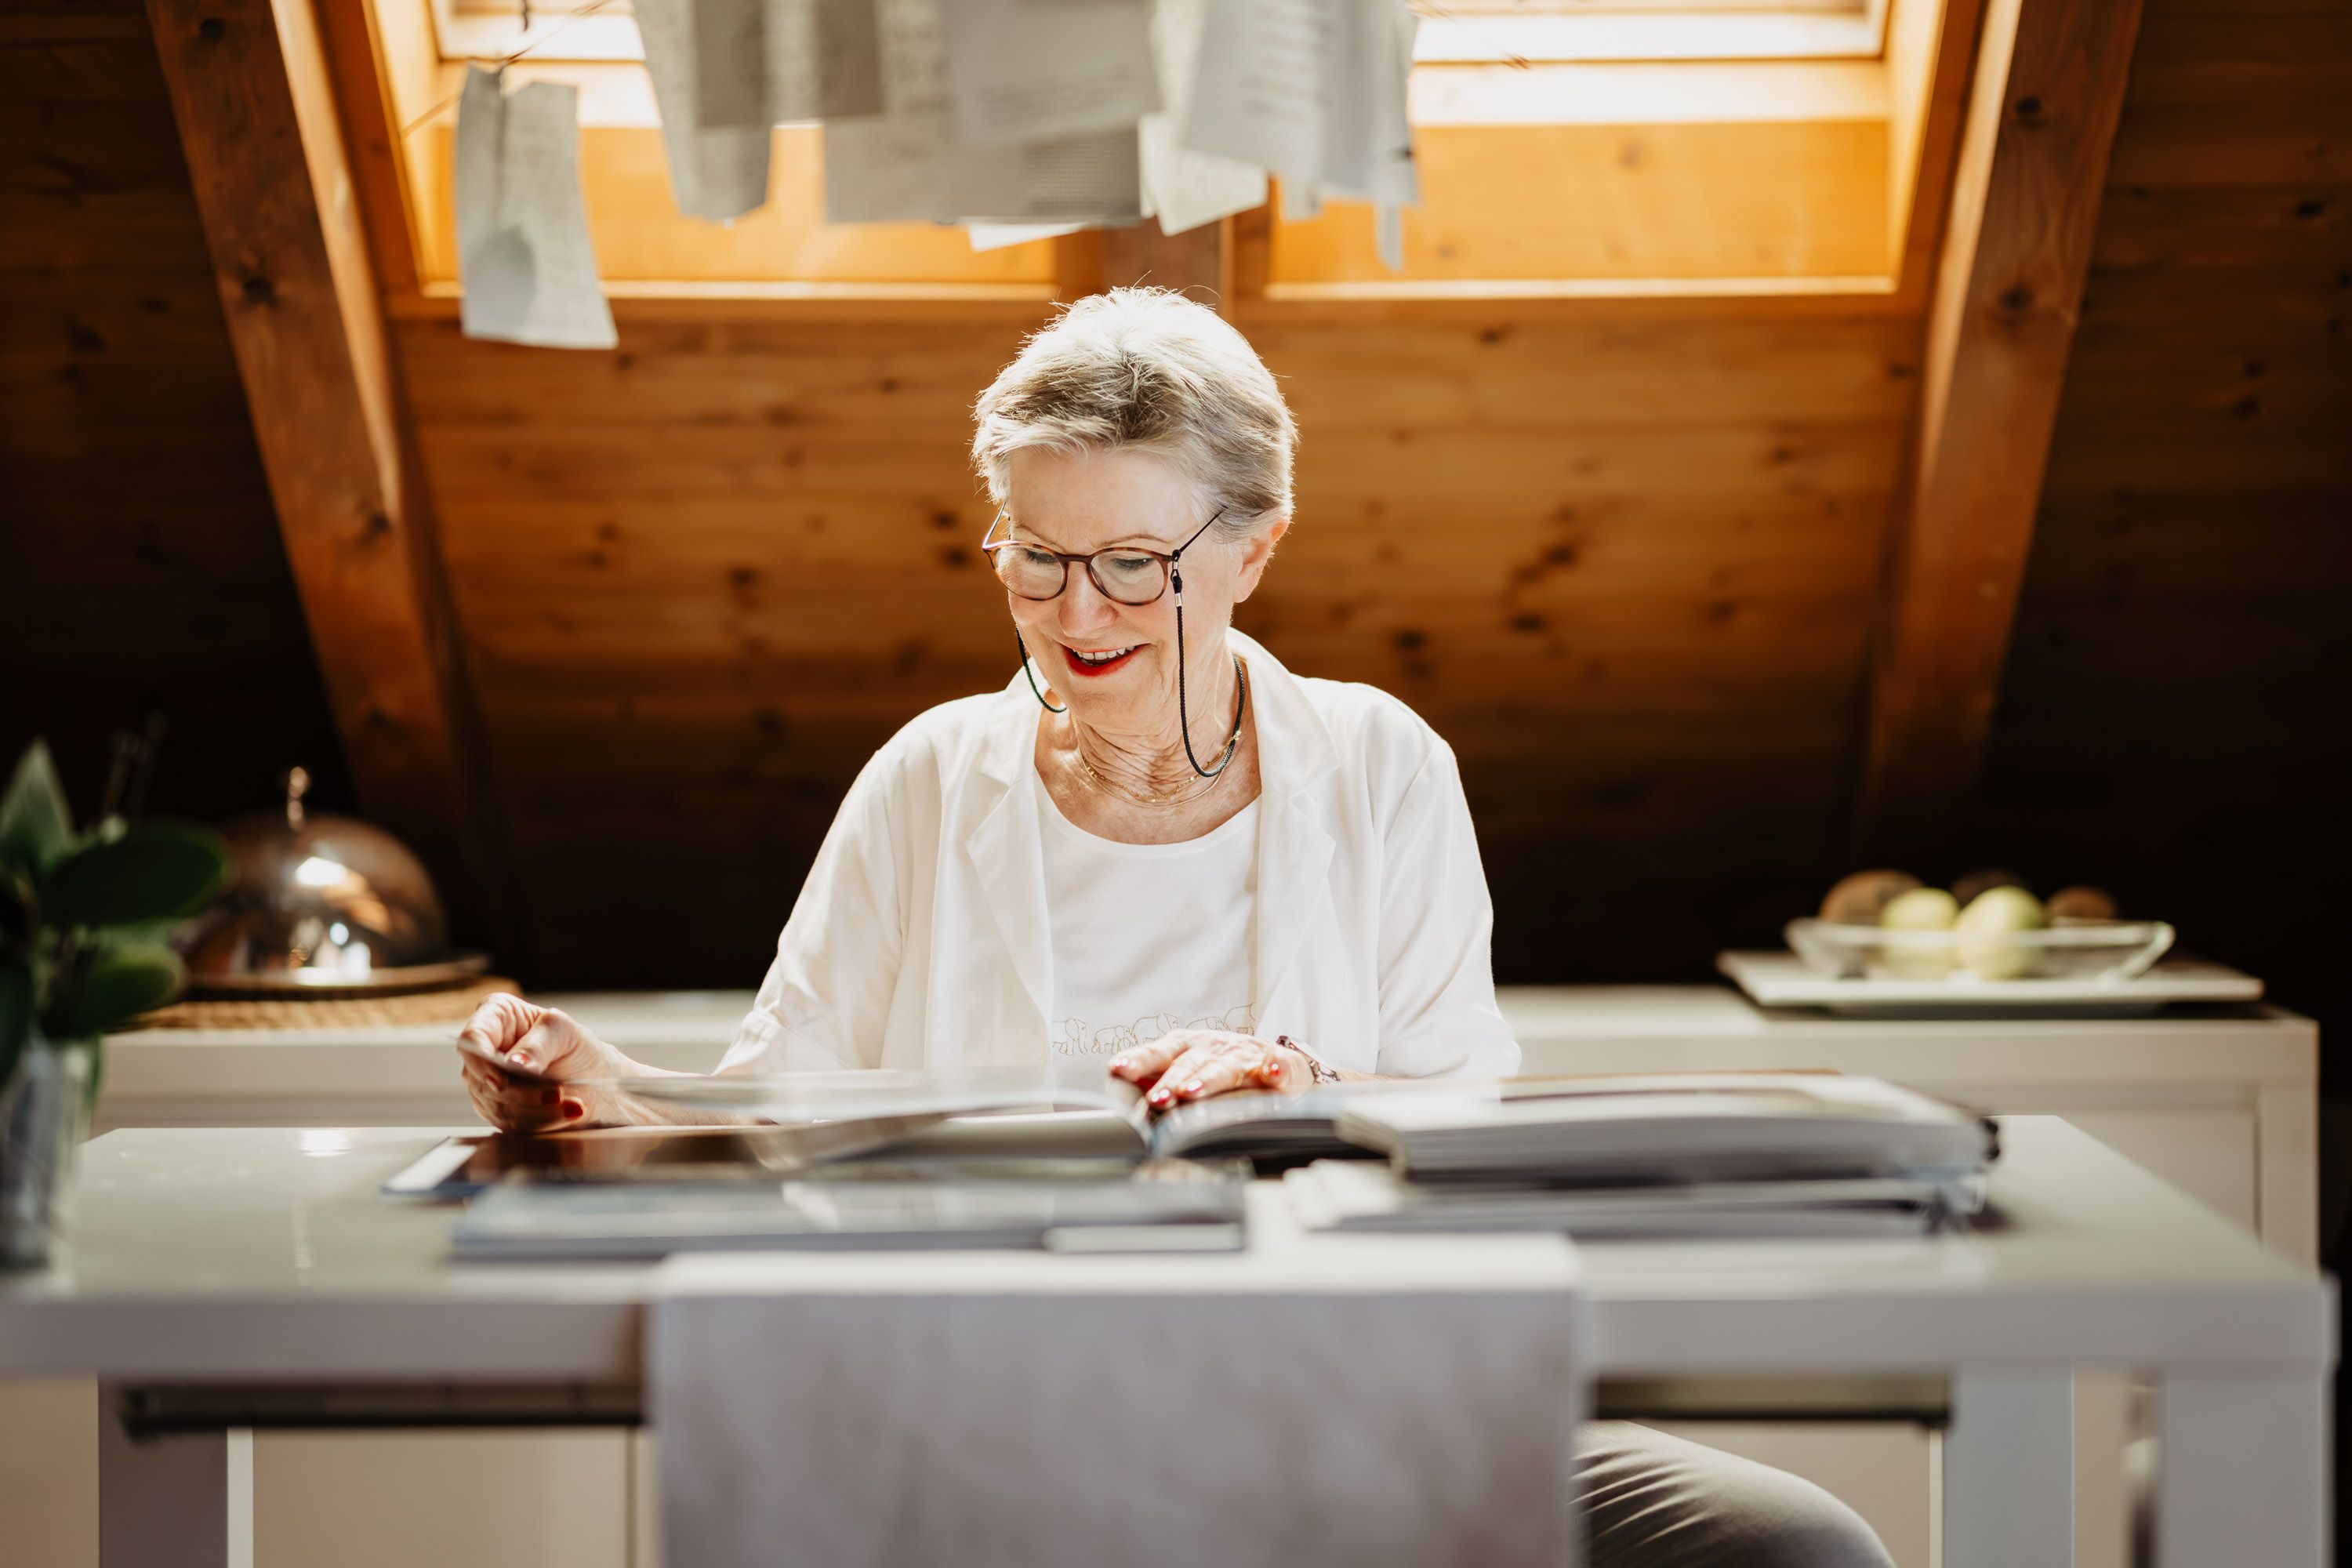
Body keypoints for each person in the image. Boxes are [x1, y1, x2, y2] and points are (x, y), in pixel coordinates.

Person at [454, 287, 1894, 1568]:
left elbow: (1476, 1138)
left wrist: (1311, 1095)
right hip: (998, 1406)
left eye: (1136, 562)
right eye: (1035, 556)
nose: (1079, 613)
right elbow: (784, 1108)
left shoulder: (1383, 766)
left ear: (1255, 549)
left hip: (1352, 1396)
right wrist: (612, 1092)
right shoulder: (929, 776)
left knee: (1793, 1545)